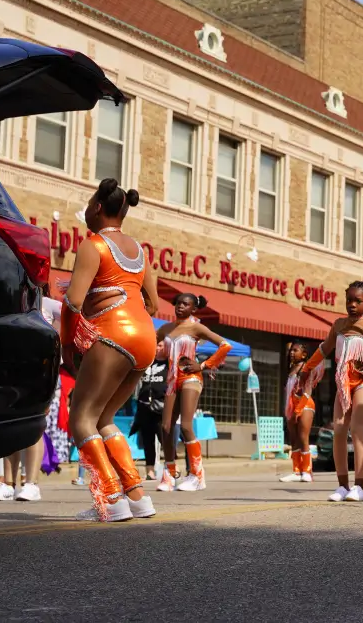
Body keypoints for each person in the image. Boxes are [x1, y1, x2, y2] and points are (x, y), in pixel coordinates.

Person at [59, 178, 159, 522]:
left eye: (89, 203)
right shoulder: (140, 251)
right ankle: (137, 495)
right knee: (104, 419)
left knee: (81, 418)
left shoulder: (93, 245)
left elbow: (72, 300)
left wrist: (68, 342)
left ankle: (110, 500)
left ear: (98, 207)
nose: (87, 209)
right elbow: (155, 303)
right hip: (145, 337)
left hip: (112, 333)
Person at [296, 281, 363, 502]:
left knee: (357, 431)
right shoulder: (338, 325)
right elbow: (324, 349)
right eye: (349, 301)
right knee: (338, 431)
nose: (353, 305)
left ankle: (360, 487)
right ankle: (342, 486)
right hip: (343, 385)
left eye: (358, 301)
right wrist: (306, 370)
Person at [155, 293, 232, 492]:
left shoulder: (197, 327)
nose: (180, 306)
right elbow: (150, 345)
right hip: (172, 380)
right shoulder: (165, 328)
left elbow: (225, 345)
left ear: (194, 309)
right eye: (178, 303)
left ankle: (197, 475)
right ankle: (169, 473)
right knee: (165, 427)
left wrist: (203, 365)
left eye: (185, 304)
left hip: (191, 378)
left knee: (187, 425)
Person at [132, 339, 168, 480]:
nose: (157, 348)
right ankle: (150, 471)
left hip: (161, 406)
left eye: (160, 345)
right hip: (144, 406)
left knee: (164, 438)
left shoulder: (169, 364)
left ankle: (170, 467)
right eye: (156, 345)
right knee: (147, 440)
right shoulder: (147, 362)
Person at [281, 342, 316, 483]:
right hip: (291, 407)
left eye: (295, 350)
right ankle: (296, 471)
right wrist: (289, 410)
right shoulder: (290, 370)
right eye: (291, 350)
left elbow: (308, 391)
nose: (292, 353)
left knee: (303, 437)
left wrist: (298, 410)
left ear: (304, 354)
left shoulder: (306, 368)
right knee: (293, 439)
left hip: (305, 405)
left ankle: (307, 470)